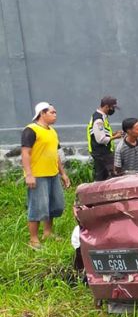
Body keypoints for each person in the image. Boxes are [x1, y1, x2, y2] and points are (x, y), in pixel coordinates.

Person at [21, 102, 71, 249]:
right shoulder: (31, 130)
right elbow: (25, 153)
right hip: (38, 175)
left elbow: (55, 154)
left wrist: (63, 173)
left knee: (55, 205)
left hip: (53, 174)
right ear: (42, 113)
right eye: (52, 112)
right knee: (37, 207)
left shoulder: (52, 131)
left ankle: (47, 232)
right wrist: (29, 174)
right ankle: (33, 239)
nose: (55, 114)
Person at [87, 96, 123, 181]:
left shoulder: (101, 117)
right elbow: (100, 139)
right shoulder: (98, 120)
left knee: (103, 176)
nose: (113, 110)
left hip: (101, 153)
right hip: (102, 154)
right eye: (112, 108)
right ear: (106, 106)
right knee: (107, 178)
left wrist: (113, 133)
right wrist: (115, 137)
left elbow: (100, 133)